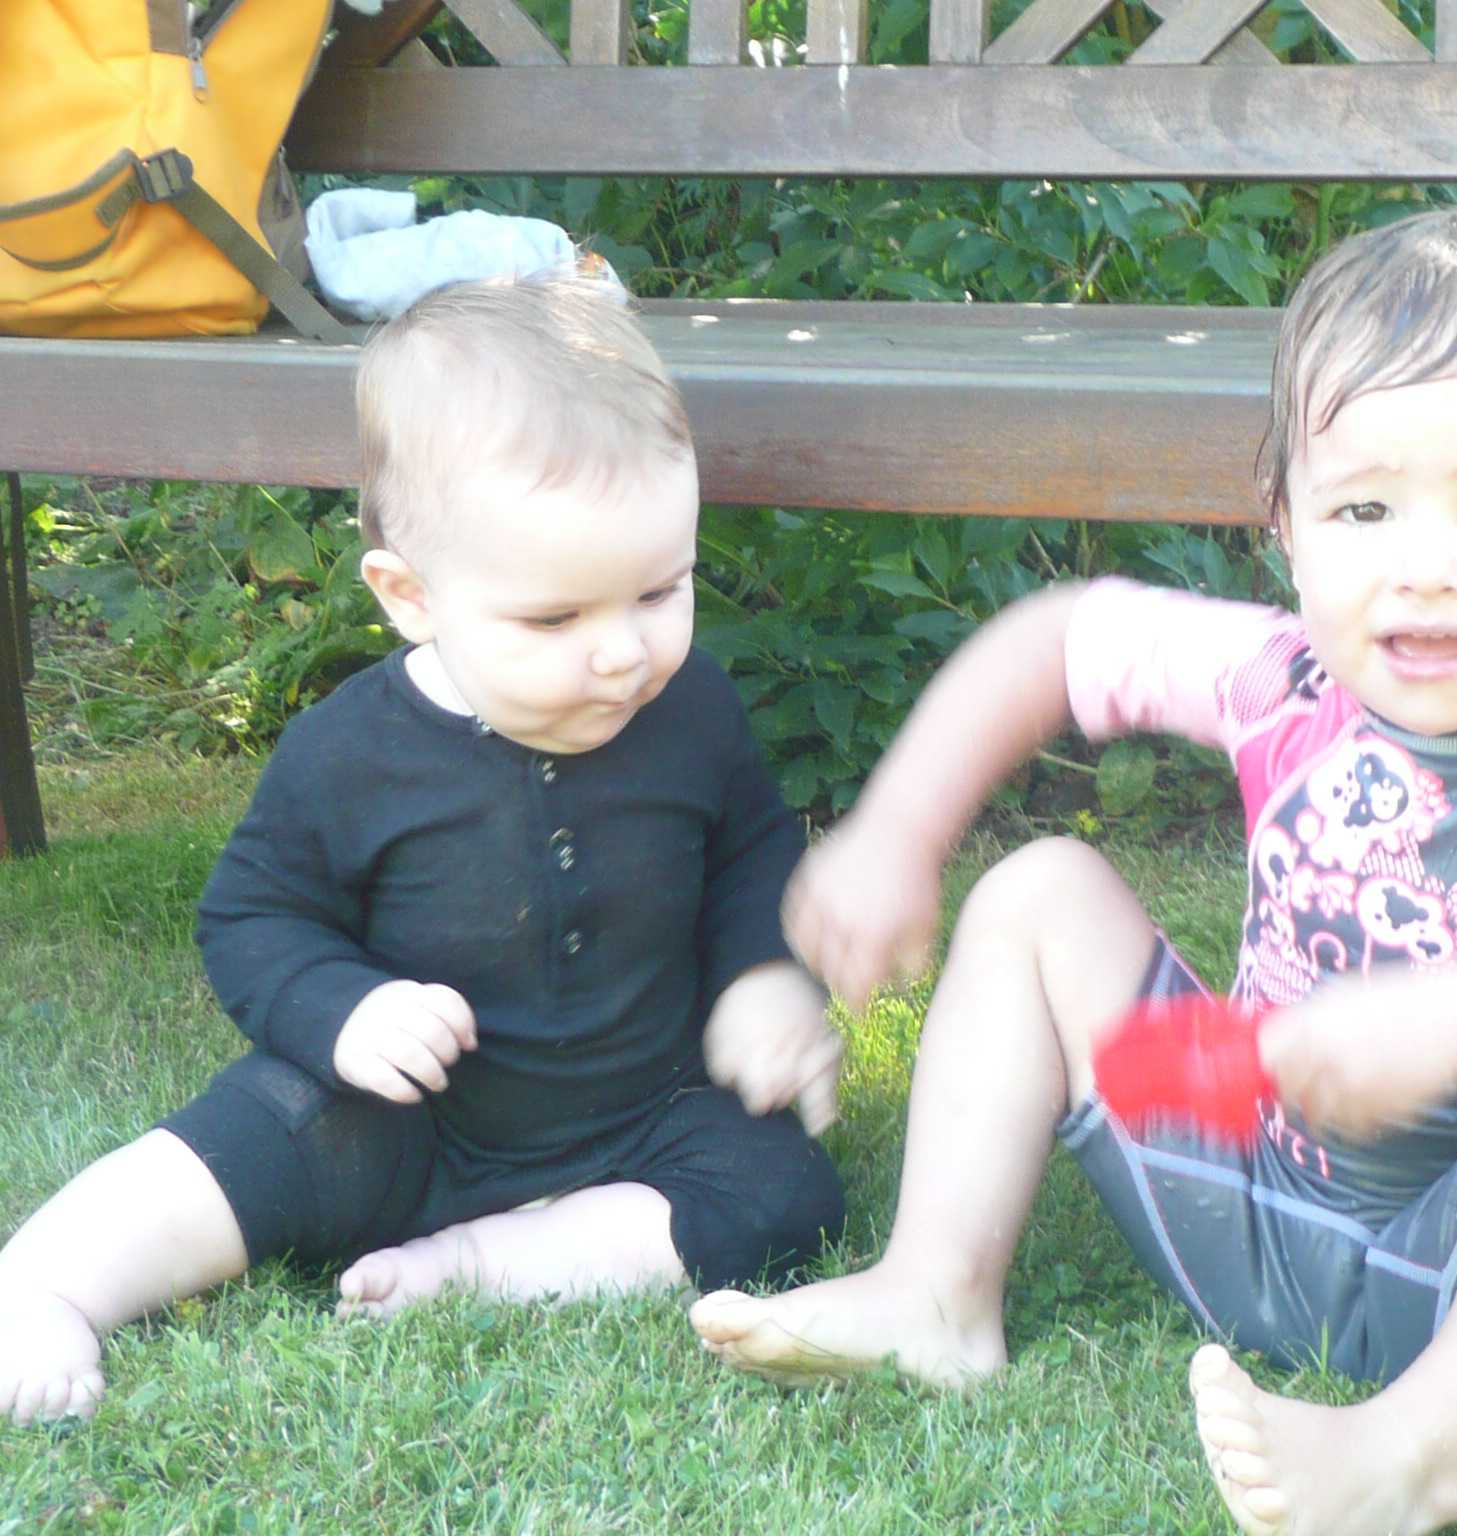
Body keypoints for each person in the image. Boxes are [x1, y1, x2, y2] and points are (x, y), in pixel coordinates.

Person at [688, 211, 1457, 1536]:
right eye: (1364, 508)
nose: (1426, 568)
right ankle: (933, 1291)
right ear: (1287, 523)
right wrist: (898, 829)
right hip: (1232, 1168)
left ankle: (1416, 1450)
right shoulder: (1273, 678)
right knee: (1043, 890)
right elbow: (1057, 639)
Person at [0, 271, 846, 1426]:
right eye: (555, 618)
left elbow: (752, 852)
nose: (622, 653)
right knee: (251, 1137)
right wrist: (342, 1011)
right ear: (410, 596)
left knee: (784, 1189)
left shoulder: (690, 709)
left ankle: (498, 1259)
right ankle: (47, 1284)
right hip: (409, 1116)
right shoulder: (350, 754)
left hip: (647, 1107)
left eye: (660, 590)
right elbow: (252, 916)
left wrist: (764, 978)